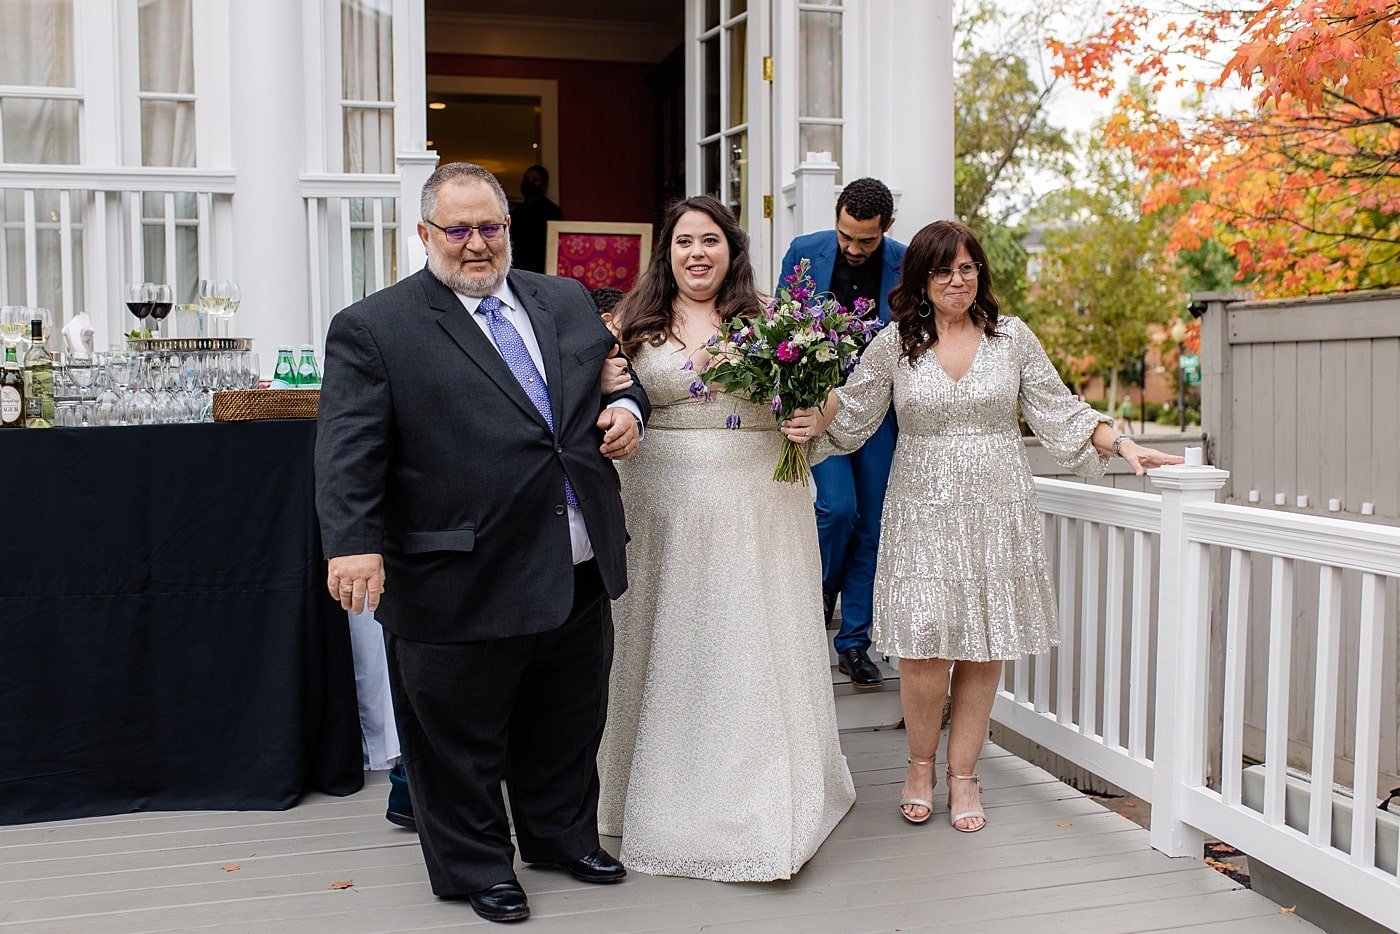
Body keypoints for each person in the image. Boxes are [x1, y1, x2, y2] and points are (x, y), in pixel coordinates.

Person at [315, 162, 649, 923]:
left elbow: (618, 380)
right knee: (457, 741)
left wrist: (631, 409)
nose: (475, 244)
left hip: (573, 558)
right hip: (454, 570)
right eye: (457, 229)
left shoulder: (563, 300)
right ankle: (476, 868)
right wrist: (352, 542)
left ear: (508, 228)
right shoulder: (375, 326)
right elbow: (348, 450)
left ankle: (562, 839)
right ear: (424, 234)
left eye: (489, 227)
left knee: (567, 718)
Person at [782, 220, 1181, 832]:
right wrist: (810, 411)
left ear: (980, 275)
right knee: (921, 649)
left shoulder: (1012, 338)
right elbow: (853, 410)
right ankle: (920, 764)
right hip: (920, 505)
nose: (957, 280)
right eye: (943, 269)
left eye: (967, 268)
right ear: (920, 277)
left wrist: (1121, 443)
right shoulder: (895, 345)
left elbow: (1059, 409)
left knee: (983, 645)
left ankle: (964, 773)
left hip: (998, 508)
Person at [596, 195, 855, 881]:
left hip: (756, 503)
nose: (697, 254)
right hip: (660, 507)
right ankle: (642, 788)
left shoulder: (772, 318)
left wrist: (809, 415)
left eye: (710, 240)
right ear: (668, 252)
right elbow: (591, 392)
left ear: (731, 250)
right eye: (684, 242)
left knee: (746, 641)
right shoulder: (631, 322)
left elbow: (829, 397)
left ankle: (760, 799)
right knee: (667, 638)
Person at [776, 177, 905, 690]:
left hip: (878, 414)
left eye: (865, 240)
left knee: (872, 525)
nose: (853, 248)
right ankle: (816, 605)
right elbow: (786, 328)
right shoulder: (804, 252)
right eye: (845, 235)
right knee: (835, 509)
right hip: (817, 408)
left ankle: (854, 641)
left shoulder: (904, 260)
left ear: (886, 229)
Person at [510, 164, 564, 273]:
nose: (528, 184)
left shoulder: (552, 211)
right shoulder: (517, 212)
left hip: (544, 269)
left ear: (544, 185)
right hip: (518, 268)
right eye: (526, 179)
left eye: (534, 180)